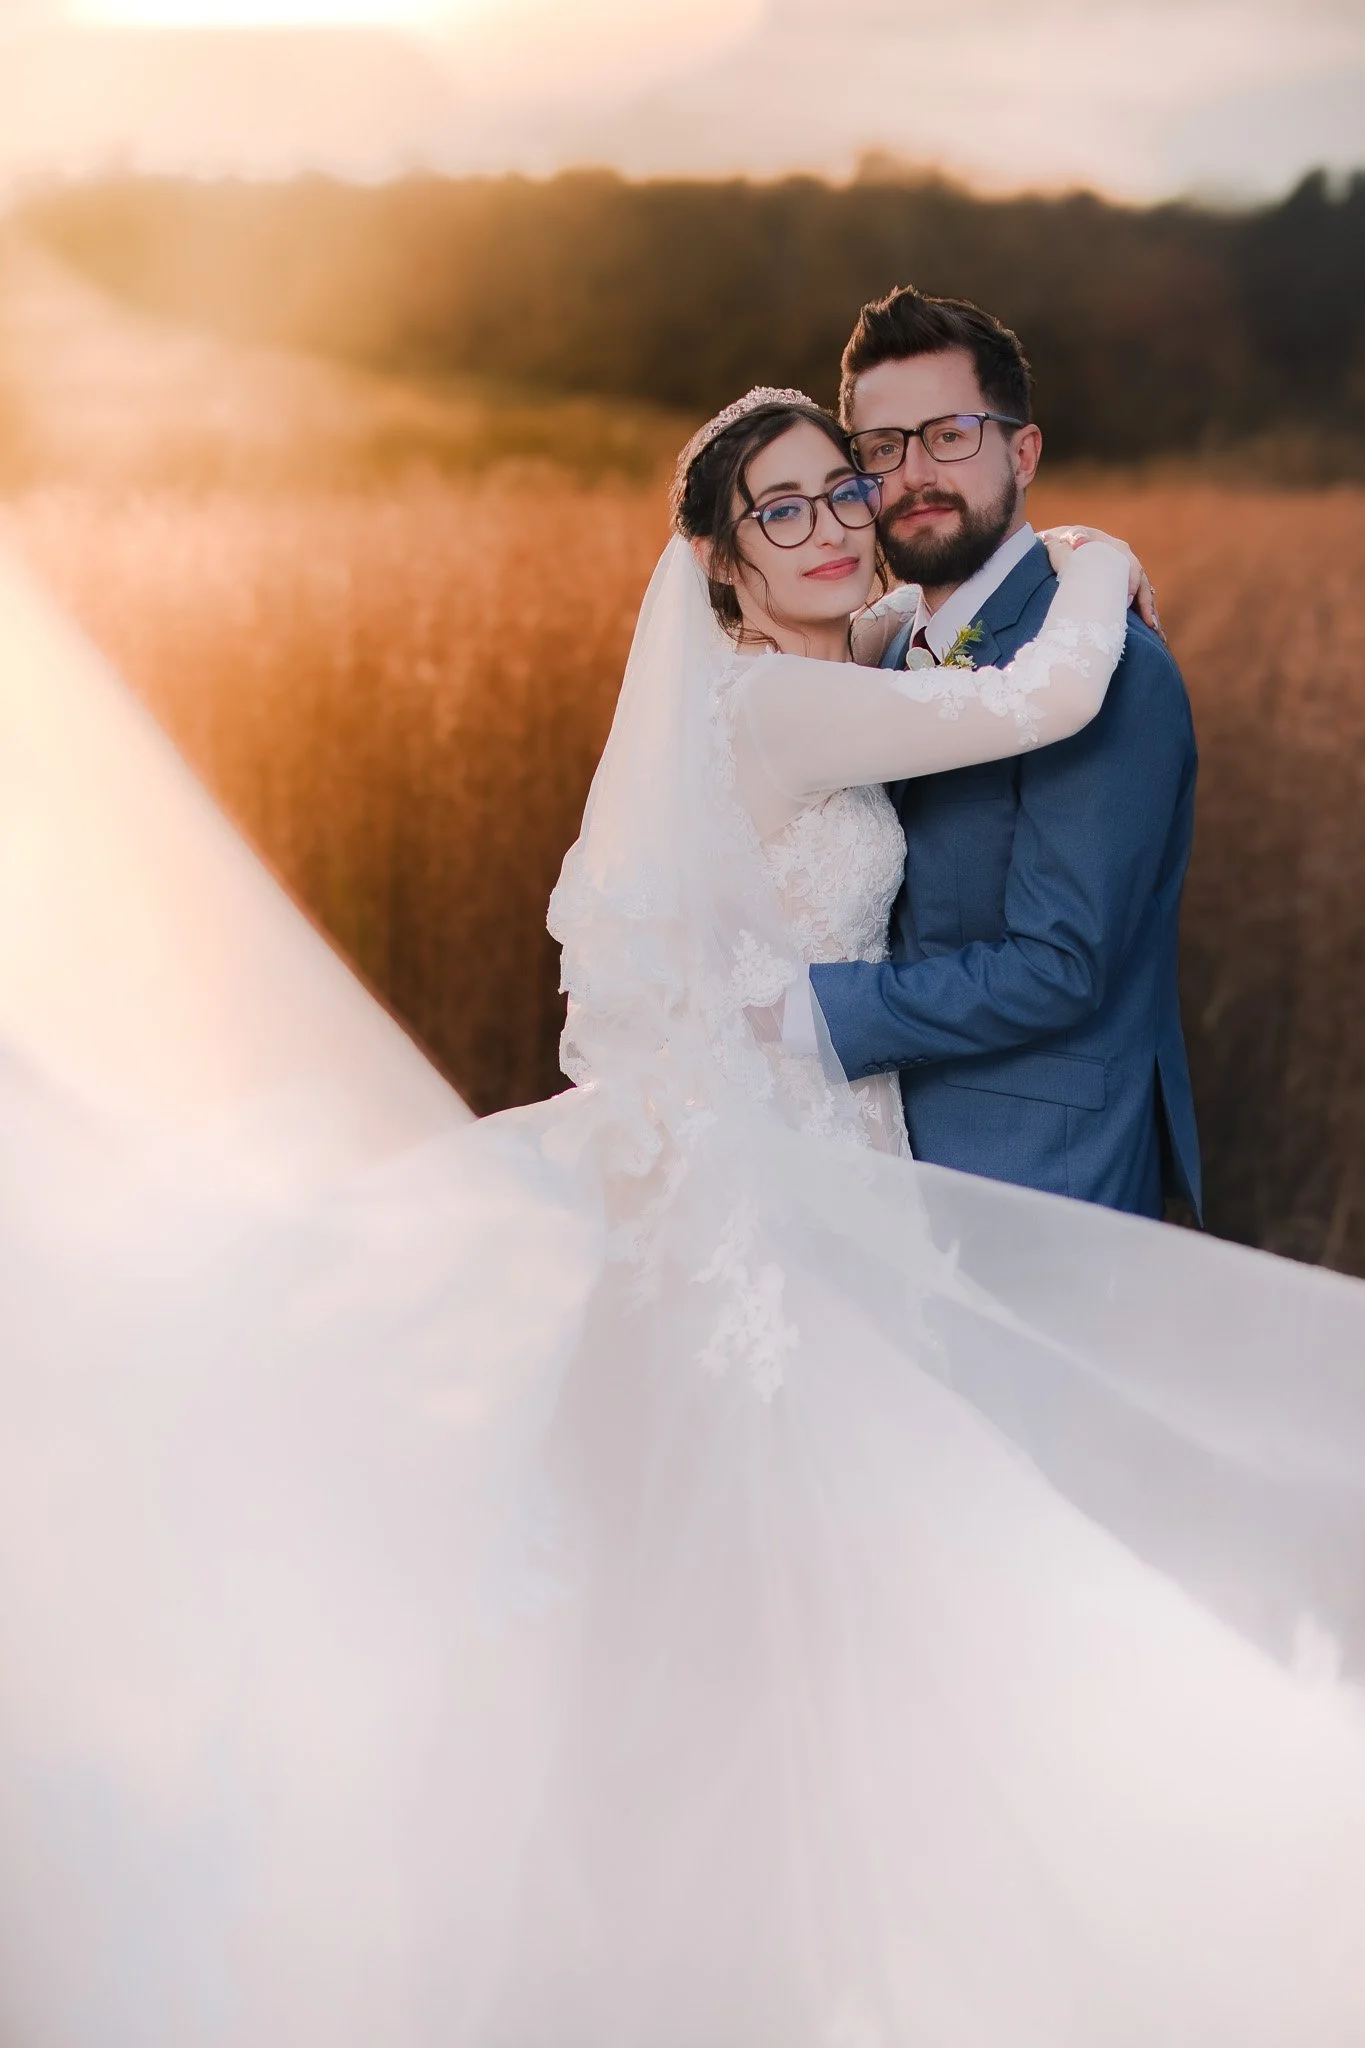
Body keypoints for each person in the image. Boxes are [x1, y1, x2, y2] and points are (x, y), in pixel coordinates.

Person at [0, 393, 1362, 2048]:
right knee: (823, 1603)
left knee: (817, 1611)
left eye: (836, 491)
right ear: (716, 559)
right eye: (777, 511)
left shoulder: (793, 672)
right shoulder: (777, 706)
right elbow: (1040, 695)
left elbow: (885, 668)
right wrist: (1105, 554)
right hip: (778, 1218)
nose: (830, 524)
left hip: (814, 1171)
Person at [805, 287, 1201, 1218]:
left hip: (1034, 1175)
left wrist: (805, 1017)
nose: (913, 474)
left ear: (1021, 452)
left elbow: (1058, 963)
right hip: (865, 1158)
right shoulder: (875, 650)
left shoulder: (1105, 664)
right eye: (881, 448)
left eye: (949, 435)